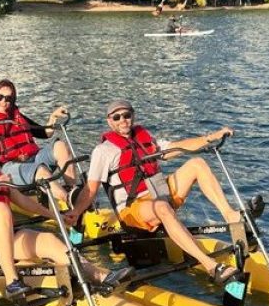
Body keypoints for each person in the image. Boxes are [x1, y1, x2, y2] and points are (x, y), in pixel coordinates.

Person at [0, 121, 131, 297]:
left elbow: (22, 200)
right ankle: (13, 282)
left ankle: (100, 276)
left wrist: (56, 216)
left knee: (49, 240)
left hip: (3, 239)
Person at [66, 100, 243, 286]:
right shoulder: (103, 151)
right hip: (133, 210)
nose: (123, 120)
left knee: (197, 164)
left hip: (160, 195)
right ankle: (212, 267)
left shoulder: (145, 139)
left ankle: (230, 215)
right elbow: (91, 189)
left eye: (126, 115)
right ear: (110, 121)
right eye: (117, 117)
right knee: (161, 206)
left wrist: (211, 137)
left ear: (132, 116)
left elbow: (179, 146)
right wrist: (76, 212)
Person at [0, 79, 74, 202]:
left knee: (60, 146)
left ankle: (73, 190)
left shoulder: (17, 116)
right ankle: (68, 199)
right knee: (41, 171)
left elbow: (43, 133)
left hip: (34, 158)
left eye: (8, 98)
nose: (3, 102)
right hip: (10, 166)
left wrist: (52, 118)